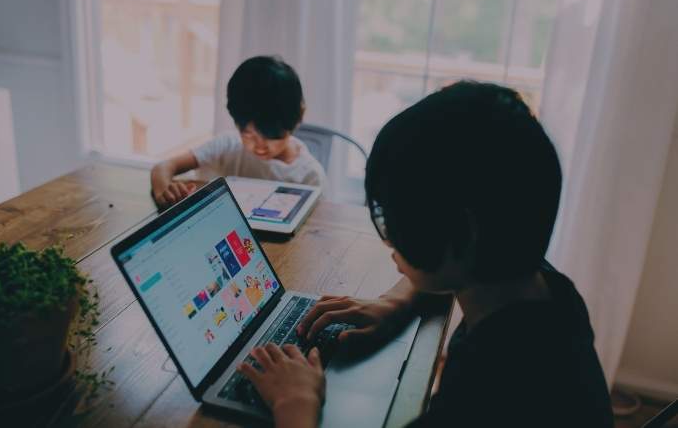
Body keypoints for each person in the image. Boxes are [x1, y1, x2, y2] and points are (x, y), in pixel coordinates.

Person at [237, 81, 614, 427]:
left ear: (463, 233)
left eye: (394, 221)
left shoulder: (486, 396)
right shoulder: (545, 289)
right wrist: (392, 302)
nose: (389, 242)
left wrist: (295, 403)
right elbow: (465, 264)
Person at [151, 55, 326, 209]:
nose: (260, 146)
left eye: (272, 136)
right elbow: (163, 167)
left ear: (299, 115)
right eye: (247, 134)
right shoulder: (227, 146)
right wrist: (164, 190)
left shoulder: (309, 176)